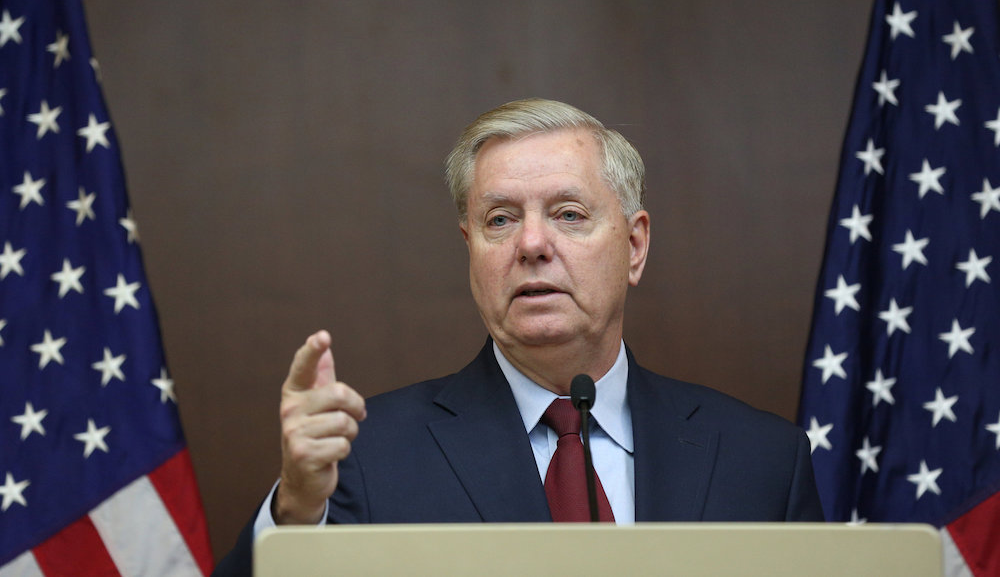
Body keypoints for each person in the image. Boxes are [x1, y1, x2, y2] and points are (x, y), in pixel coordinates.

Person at [214, 98, 823, 575]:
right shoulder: (366, 457)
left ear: (634, 247)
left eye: (569, 215)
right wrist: (295, 509)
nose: (531, 245)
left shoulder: (762, 459)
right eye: (500, 220)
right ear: (471, 251)